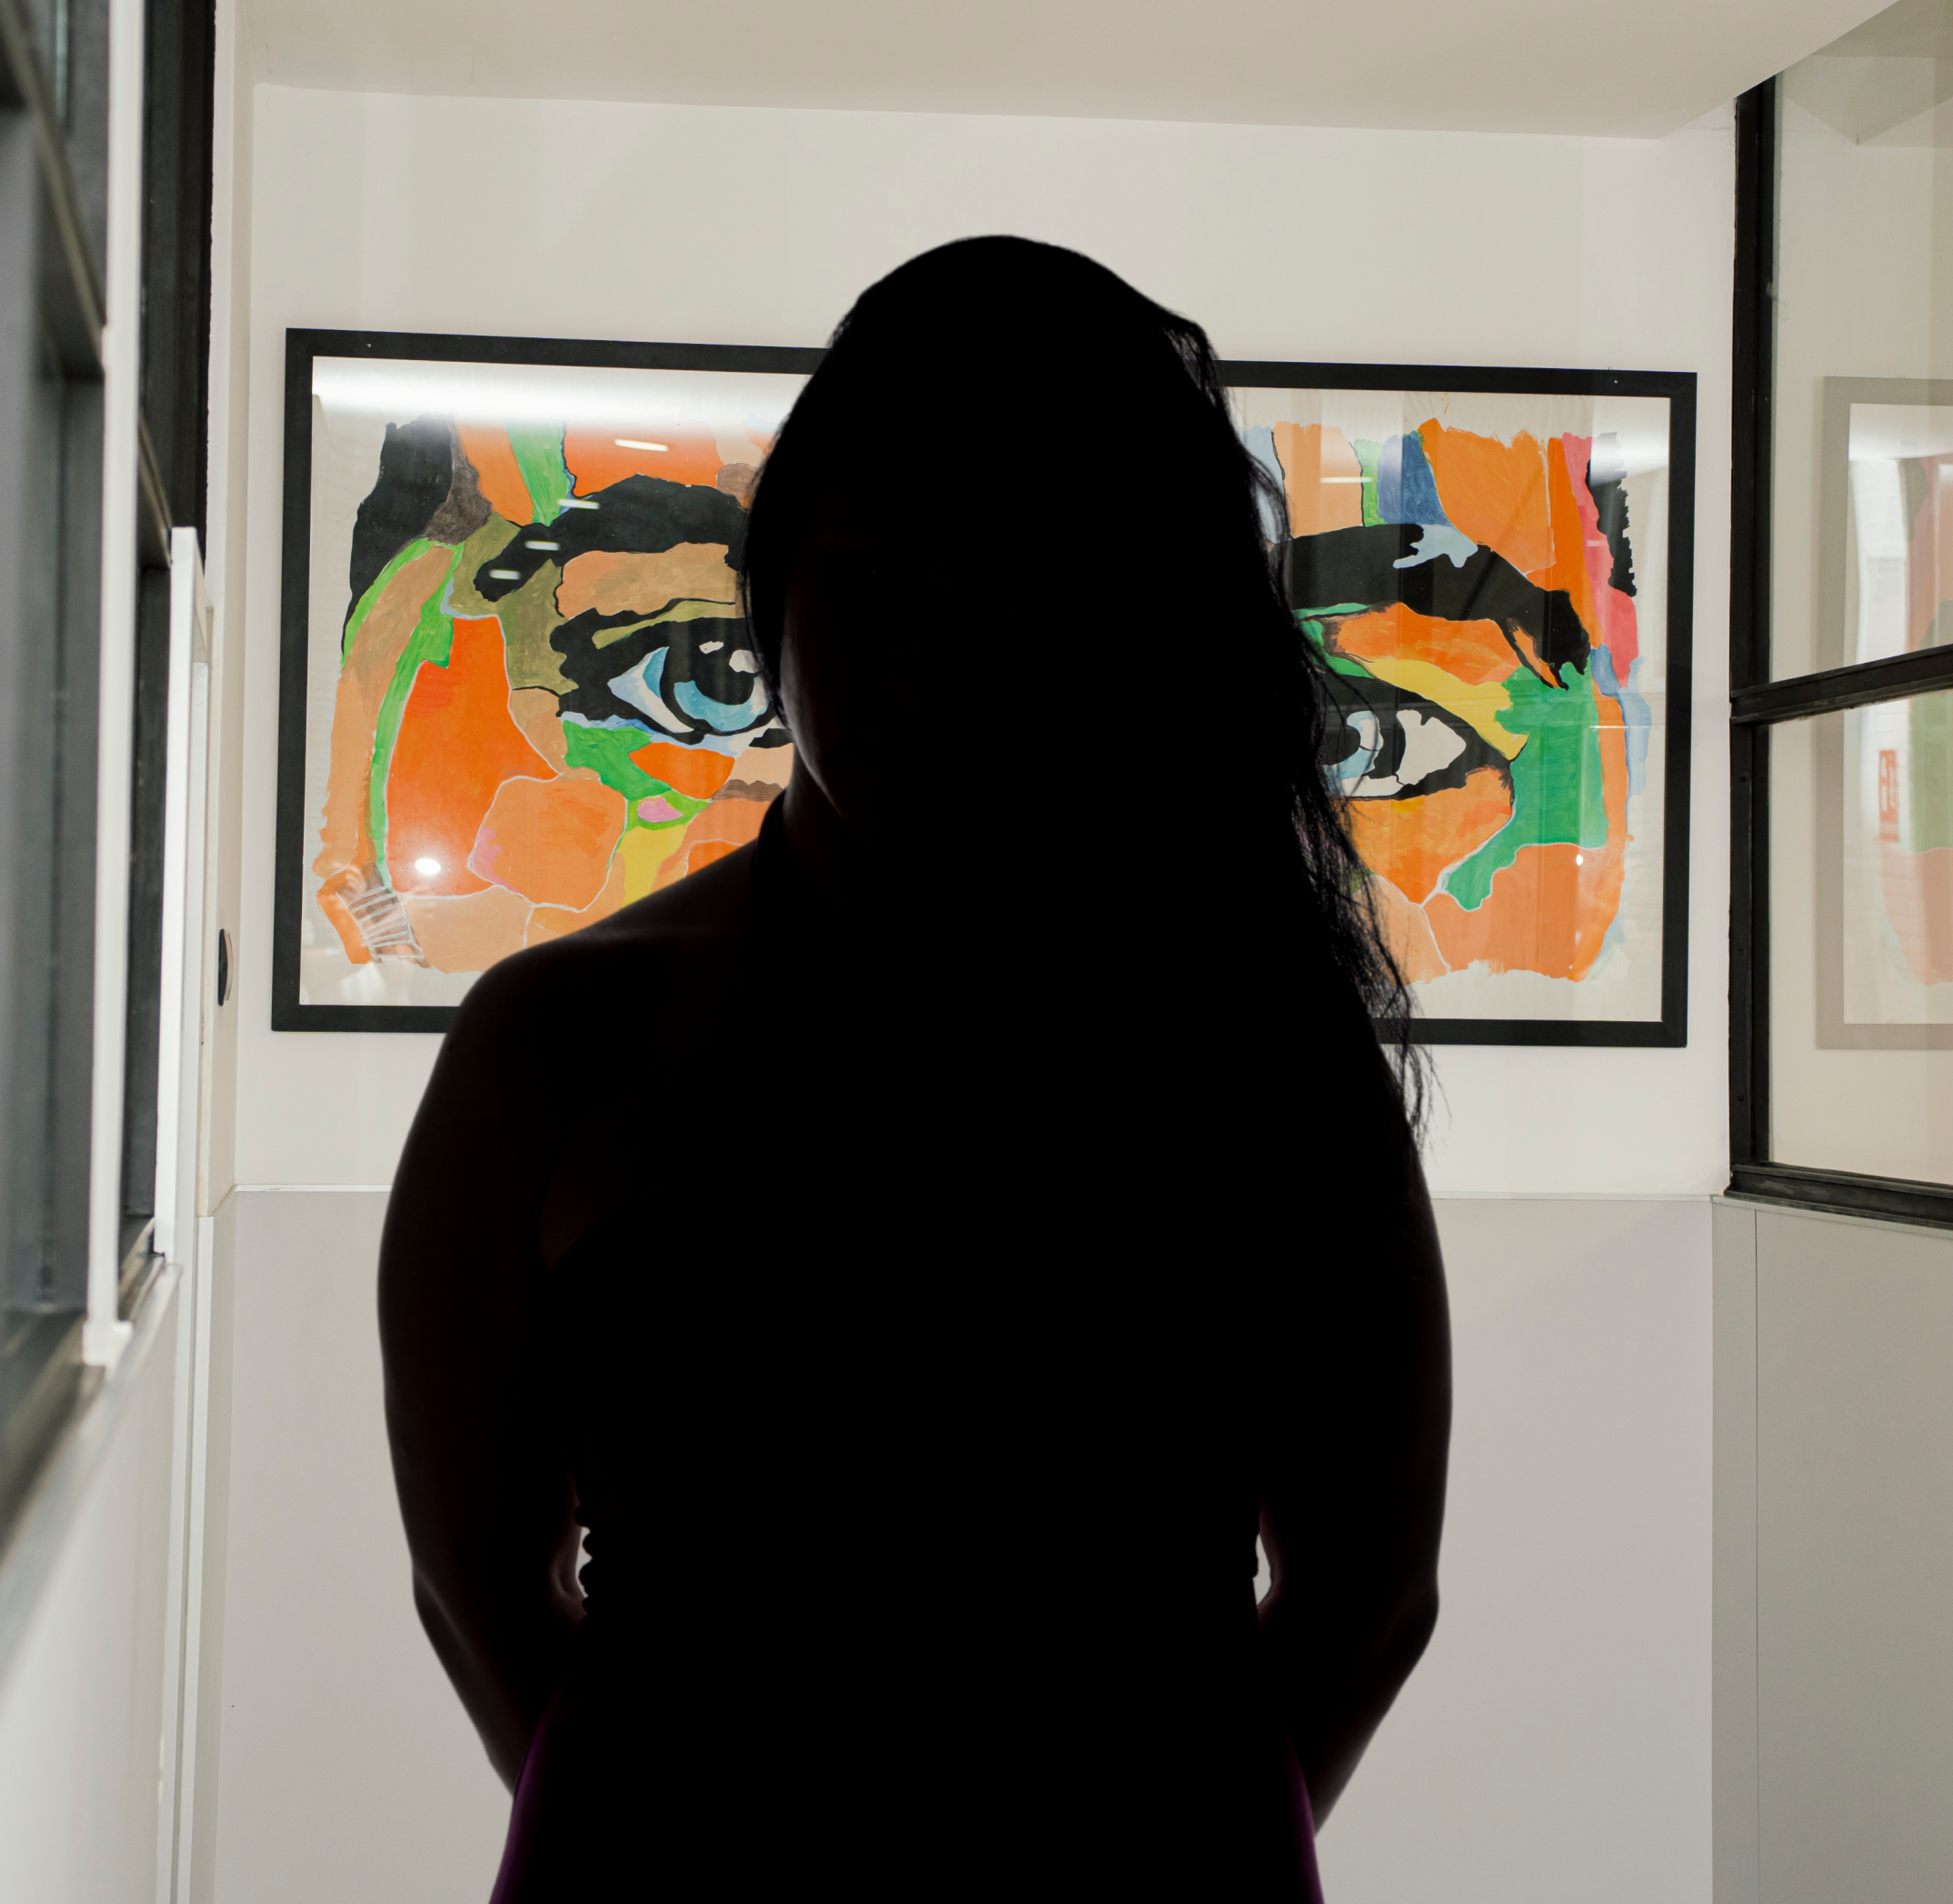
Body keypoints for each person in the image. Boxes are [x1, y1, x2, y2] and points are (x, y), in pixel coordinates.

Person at [378, 236, 1452, 1901]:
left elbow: (1371, 1595)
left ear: (1125, 629)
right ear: (775, 582)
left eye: (1030, 587)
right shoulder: (548, 1037)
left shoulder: (1272, 1040)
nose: (938, 652)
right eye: (880, 573)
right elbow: (475, 1587)